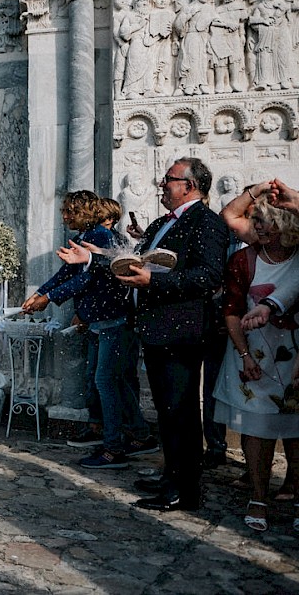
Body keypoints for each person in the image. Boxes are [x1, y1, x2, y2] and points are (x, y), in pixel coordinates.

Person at [63, 158, 228, 510]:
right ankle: (172, 475)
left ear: (190, 185)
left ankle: (185, 489)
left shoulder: (206, 222)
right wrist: (91, 259)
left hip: (180, 332)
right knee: (168, 412)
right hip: (154, 330)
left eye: (168, 179)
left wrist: (154, 281)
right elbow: (130, 263)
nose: (161, 184)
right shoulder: (159, 224)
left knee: (181, 411)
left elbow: (209, 277)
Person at [24, 192, 154, 469]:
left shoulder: (101, 237)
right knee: (110, 381)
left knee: (106, 382)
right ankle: (134, 435)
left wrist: (48, 298)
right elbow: (67, 273)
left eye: (69, 211)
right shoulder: (92, 236)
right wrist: (41, 293)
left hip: (113, 319)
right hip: (102, 320)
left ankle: (113, 449)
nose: (64, 216)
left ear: (84, 212)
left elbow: (86, 278)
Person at [213, 194, 299, 532]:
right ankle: (259, 496)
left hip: (295, 356)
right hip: (254, 356)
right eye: (257, 220)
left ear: (288, 226)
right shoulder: (243, 260)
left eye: (266, 220)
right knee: (257, 428)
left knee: (296, 432)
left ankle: (295, 494)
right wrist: (245, 355)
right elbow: (232, 310)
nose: (258, 226)